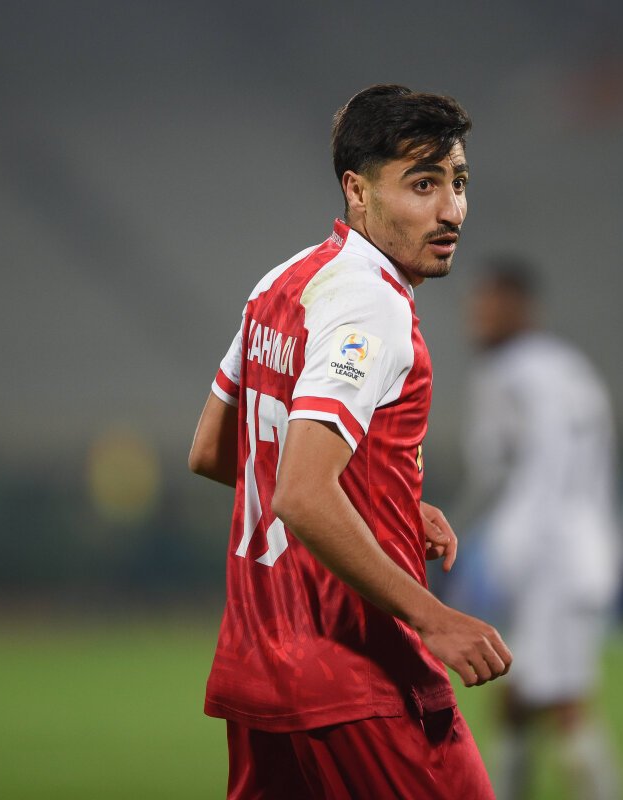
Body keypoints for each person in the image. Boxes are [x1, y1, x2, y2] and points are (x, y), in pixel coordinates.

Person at [187, 85, 511, 799]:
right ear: (357, 190)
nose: (451, 211)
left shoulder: (283, 283)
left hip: (260, 670)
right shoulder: (371, 306)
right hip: (360, 676)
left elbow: (214, 451)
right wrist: (435, 619)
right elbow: (302, 493)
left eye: (458, 183)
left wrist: (378, 501)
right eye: (422, 185)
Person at [458, 259, 623, 800]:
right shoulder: (571, 367)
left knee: (564, 701)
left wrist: (457, 532)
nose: (478, 320)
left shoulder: (504, 374)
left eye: (488, 308)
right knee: (517, 695)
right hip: (586, 548)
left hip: (544, 556)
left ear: (518, 308)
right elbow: (602, 468)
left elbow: (492, 470)